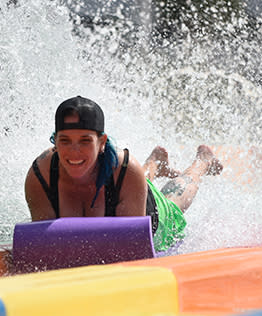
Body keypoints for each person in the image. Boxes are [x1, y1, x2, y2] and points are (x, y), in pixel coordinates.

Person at [24, 96, 222, 251]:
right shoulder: (41, 176)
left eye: (85, 141)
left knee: (174, 201)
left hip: (145, 208)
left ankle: (202, 161)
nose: (74, 151)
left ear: (102, 142)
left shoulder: (126, 170)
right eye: (65, 140)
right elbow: (46, 248)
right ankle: (156, 163)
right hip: (128, 187)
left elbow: (130, 251)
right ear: (55, 141)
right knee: (135, 182)